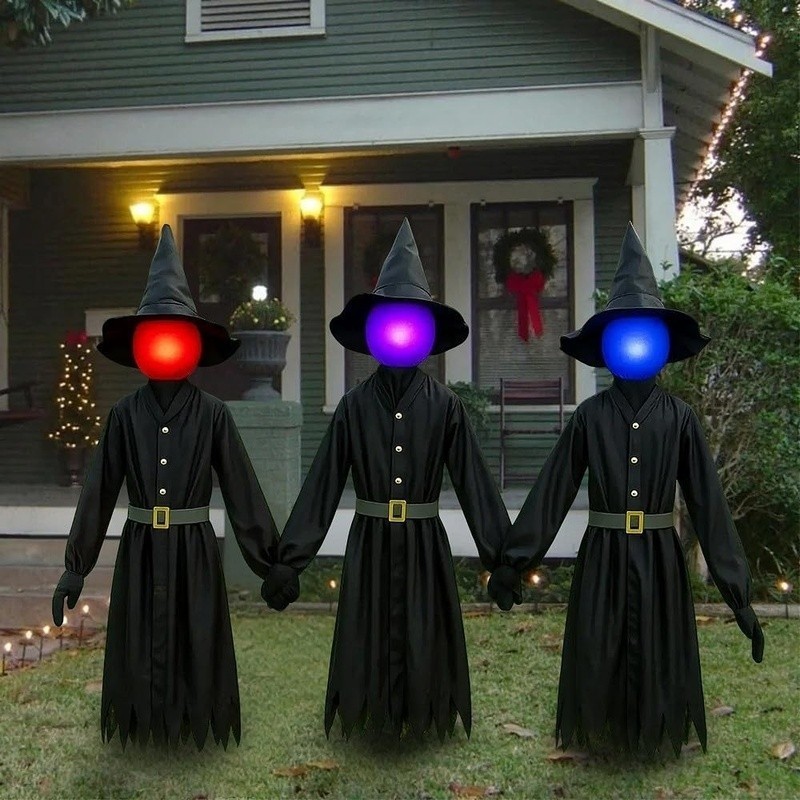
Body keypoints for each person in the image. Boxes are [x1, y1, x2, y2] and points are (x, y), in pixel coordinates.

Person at [488, 222, 764, 755]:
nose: (636, 344)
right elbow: (552, 493)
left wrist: (740, 597)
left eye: (644, 335)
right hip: (605, 553)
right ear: (610, 344)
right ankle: (604, 732)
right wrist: (512, 563)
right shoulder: (591, 417)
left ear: (660, 344)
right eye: (626, 335)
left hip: (660, 555)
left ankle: (656, 732)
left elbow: (709, 507)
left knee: (658, 639)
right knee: (602, 639)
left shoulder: (680, 419)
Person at [262, 219, 510, 739]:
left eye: (408, 324)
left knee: (423, 623)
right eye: (390, 324)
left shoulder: (446, 407)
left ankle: (424, 711)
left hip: (424, 541)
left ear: (424, 333)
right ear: (375, 332)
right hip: (370, 540)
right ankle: (368, 710)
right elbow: (323, 486)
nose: (399, 333)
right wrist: (290, 562)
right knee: (369, 622)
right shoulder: (353, 407)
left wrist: (502, 560)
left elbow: (475, 485)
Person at [51, 225, 280, 749]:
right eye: (157, 335)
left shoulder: (214, 415)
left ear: (192, 344)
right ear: (141, 345)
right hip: (140, 549)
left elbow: (242, 491)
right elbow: (98, 493)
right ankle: (141, 721)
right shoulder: (123, 416)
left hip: (194, 547)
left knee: (194, 629)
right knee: (140, 631)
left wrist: (272, 564)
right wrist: (75, 567)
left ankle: (193, 720)